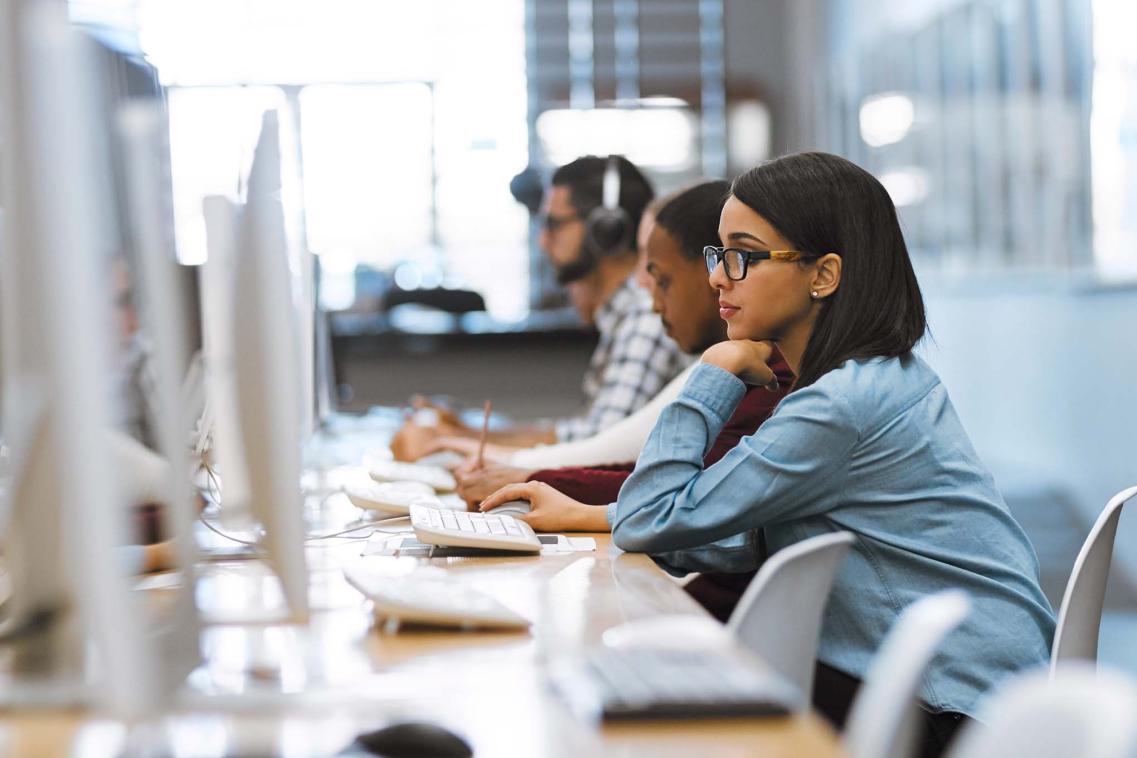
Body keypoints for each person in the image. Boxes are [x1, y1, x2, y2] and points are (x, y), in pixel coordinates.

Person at [480, 152, 1054, 757]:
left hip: (949, 706)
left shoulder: (837, 406)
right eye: (718, 253)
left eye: (743, 256)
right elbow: (747, 530)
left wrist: (713, 371)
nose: (718, 277)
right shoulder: (870, 379)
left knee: (625, 706)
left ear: (824, 275)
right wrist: (586, 516)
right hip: (974, 683)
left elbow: (656, 517)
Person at [463, 181, 792, 525]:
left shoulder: (773, 376)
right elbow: (657, 479)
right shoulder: (751, 361)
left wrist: (538, 483)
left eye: (741, 259)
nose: (719, 279)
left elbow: (677, 502)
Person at [390, 155, 688, 455]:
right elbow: (580, 435)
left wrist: (459, 440)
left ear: (605, 230)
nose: (543, 241)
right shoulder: (623, 317)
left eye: (554, 225)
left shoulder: (644, 318)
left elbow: (596, 449)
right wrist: (464, 432)